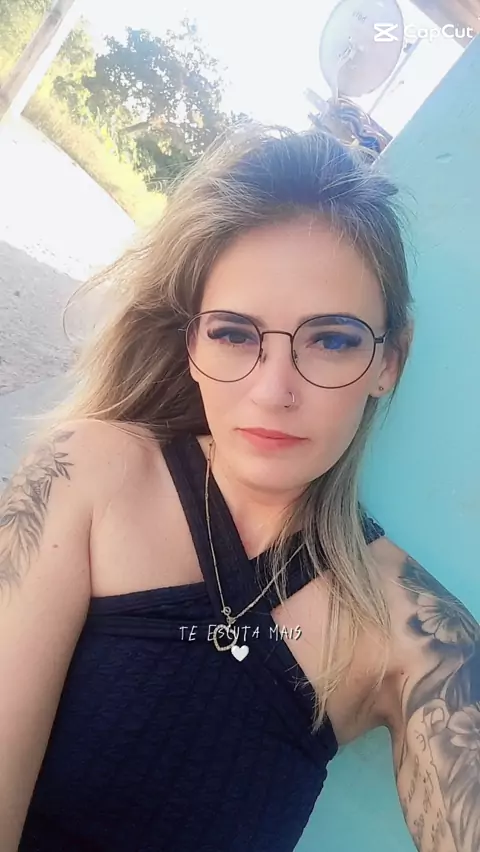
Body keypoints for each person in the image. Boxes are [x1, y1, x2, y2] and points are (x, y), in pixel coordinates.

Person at [1, 125, 478, 852]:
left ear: (390, 361)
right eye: (233, 333)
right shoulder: (87, 473)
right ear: (190, 342)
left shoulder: (416, 633)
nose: (273, 391)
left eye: (332, 339)